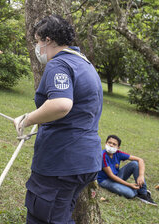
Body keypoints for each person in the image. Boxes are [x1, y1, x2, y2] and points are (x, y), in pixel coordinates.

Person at [13, 15, 103, 224]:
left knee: (45, 218)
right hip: (84, 160)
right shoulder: (85, 63)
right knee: (60, 216)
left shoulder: (59, 64)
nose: (37, 47)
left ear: (48, 40)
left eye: (37, 41)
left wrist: (26, 119)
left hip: (62, 160)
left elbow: (61, 104)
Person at [97, 135, 157, 206]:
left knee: (134, 164)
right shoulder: (102, 155)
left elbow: (140, 160)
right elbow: (111, 176)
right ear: (105, 143)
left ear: (118, 147)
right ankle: (137, 191)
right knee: (130, 194)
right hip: (105, 180)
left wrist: (141, 175)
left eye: (114, 144)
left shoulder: (118, 153)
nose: (111, 145)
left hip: (117, 176)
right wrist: (129, 185)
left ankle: (143, 194)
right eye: (109, 142)